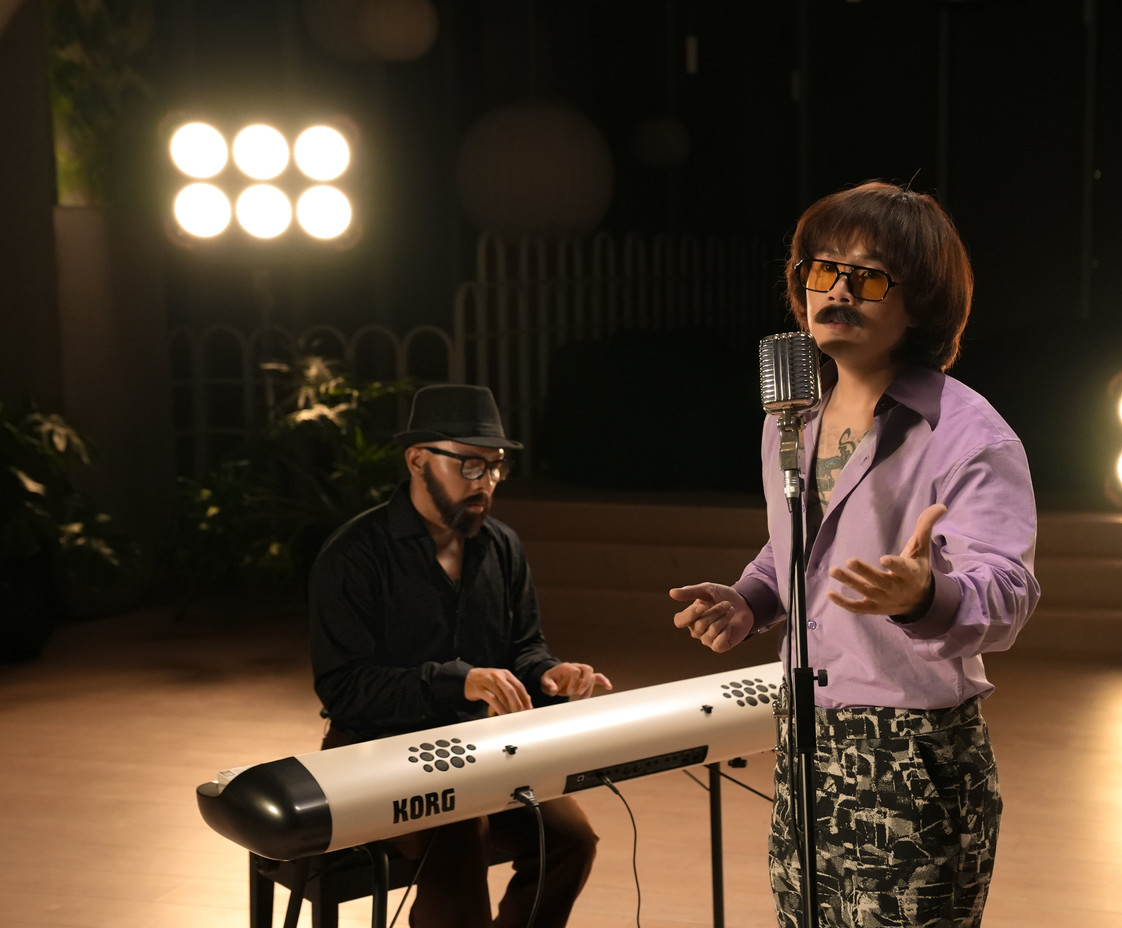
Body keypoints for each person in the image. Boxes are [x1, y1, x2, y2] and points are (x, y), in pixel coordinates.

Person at [670, 181, 1040, 927]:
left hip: (913, 751)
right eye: (822, 269)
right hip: (805, 734)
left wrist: (924, 595)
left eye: (868, 276)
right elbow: (799, 545)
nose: (837, 291)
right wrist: (752, 599)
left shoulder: (970, 434)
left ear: (921, 302)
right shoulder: (792, 417)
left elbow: (1007, 592)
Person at [310, 383, 612, 928]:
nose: (486, 482)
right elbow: (344, 689)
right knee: (461, 824)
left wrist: (549, 673)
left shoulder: (502, 545)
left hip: (480, 749)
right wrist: (458, 681)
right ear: (417, 459)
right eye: (470, 466)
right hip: (374, 755)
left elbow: (524, 647)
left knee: (572, 841)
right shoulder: (354, 554)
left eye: (495, 468)